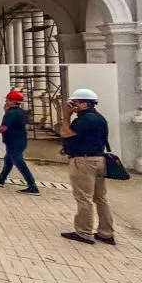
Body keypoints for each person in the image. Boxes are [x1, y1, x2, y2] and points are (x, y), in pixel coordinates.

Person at [58, 88, 114, 245]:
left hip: (84, 162)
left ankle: (84, 232)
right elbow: (83, 138)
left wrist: (66, 116)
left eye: (74, 103)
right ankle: (106, 233)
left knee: (84, 198)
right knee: (100, 198)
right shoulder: (99, 118)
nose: (72, 106)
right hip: (98, 159)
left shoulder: (84, 120)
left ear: (84, 104)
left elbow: (65, 132)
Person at [0, 90, 39, 194]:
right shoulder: (21, 112)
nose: (6, 102)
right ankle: (1, 179)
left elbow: (3, 127)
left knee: (19, 163)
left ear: (13, 101)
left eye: (7, 100)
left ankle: (32, 186)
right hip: (20, 141)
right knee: (8, 160)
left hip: (14, 142)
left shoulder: (11, 113)